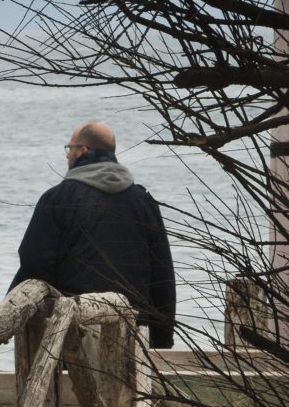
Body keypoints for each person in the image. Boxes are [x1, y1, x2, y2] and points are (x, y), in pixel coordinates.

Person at [11, 121, 175, 348]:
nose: (67, 155)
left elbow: (34, 263)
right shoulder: (143, 201)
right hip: (135, 333)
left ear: (82, 151)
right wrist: (163, 339)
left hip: (73, 334)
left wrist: (10, 309)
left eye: (69, 148)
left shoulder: (58, 199)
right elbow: (162, 275)